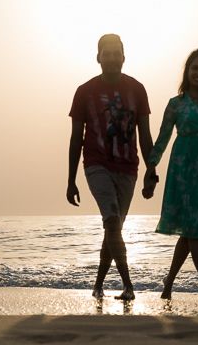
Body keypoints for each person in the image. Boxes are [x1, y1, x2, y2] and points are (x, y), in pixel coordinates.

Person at [67, 34, 157, 300]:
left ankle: (97, 286)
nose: (112, 58)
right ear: (98, 58)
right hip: (96, 165)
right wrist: (70, 180)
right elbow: (75, 138)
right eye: (106, 53)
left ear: (124, 57)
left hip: (128, 168)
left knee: (113, 227)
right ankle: (129, 286)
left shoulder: (137, 89)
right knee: (112, 220)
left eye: (116, 53)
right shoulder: (84, 92)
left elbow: (146, 135)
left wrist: (151, 172)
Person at [144, 49, 198, 302]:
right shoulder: (176, 104)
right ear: (187, 71)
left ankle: (168, 284)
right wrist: (151, 167)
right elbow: (162, 137)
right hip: (182, 171)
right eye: (195, 68)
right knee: (194, 232)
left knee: (190, 233)